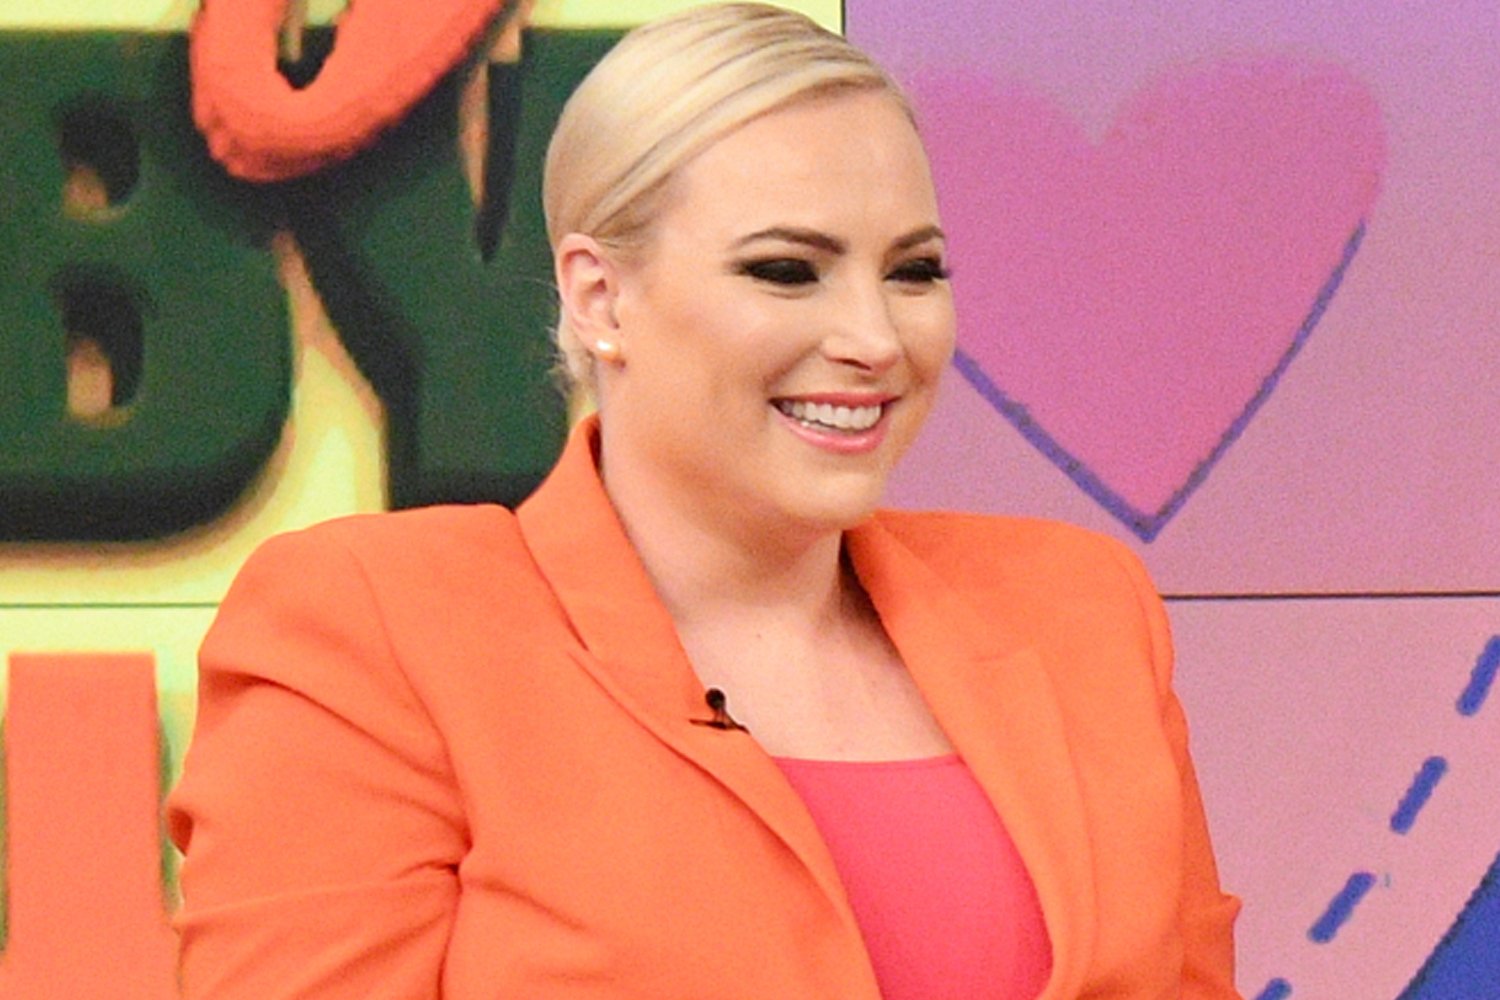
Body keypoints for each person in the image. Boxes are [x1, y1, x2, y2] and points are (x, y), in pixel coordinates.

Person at [166, 4, 1242, 998]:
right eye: (787, 271)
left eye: (913, 272)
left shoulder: (1082, 607)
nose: (875, 338)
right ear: (601, 297)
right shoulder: (373, 628)